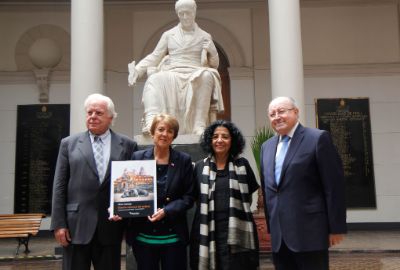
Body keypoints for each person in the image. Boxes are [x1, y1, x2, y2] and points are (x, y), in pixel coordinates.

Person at [50, 93, 138, 270]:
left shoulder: (128, 145)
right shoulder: (68, 144)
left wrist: (129, 220)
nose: (92, 117)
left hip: (111, 227)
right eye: (89, 112)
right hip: (76, 226)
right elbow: (59, 186)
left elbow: (133, 186)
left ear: (111, 117)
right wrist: (59, 224)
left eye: (98, 113)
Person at [260, 96, 347, 270]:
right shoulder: (266, 147)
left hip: (310, 233)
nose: (277, 117)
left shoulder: (317, 138)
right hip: (279, 236)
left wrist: (336, 227)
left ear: (296, 112)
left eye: (281, 111)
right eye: (272, 114)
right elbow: (270, 189)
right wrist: (271, 228)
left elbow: (333, 186)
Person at [128, 0, 224, 136]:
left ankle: (199, 125)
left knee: (207, 75)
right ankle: (152, 121)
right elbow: (155, 56)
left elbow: (214, 64)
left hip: (195, 71)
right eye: (181, 14)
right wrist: (138, 70)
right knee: (154, 79)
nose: (185, 17)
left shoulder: (204, 36)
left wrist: (212, 51)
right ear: (177, 14)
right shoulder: (168, 35)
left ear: (194, 13)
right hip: (172, 71)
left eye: (188, 13)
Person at [125, 114, 195, 270]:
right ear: (152, 133)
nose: (165, 134)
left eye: (170, 131)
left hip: (173, 237)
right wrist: (120, 207)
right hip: (143, 237)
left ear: (174, 136)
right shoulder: (137, 158)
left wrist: (167, 211)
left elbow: (189, 197)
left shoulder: (183, 160)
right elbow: (128, 190)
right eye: (161, 129)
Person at [190, 120, 260, 270]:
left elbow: (248, 196)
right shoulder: (199, 167)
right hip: (207, 230)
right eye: (215, 137)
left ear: (232, 141)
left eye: (225, 137)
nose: (219, 140)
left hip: (237, 232)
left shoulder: (243, 165)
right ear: (210, 140)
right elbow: (195, 199)